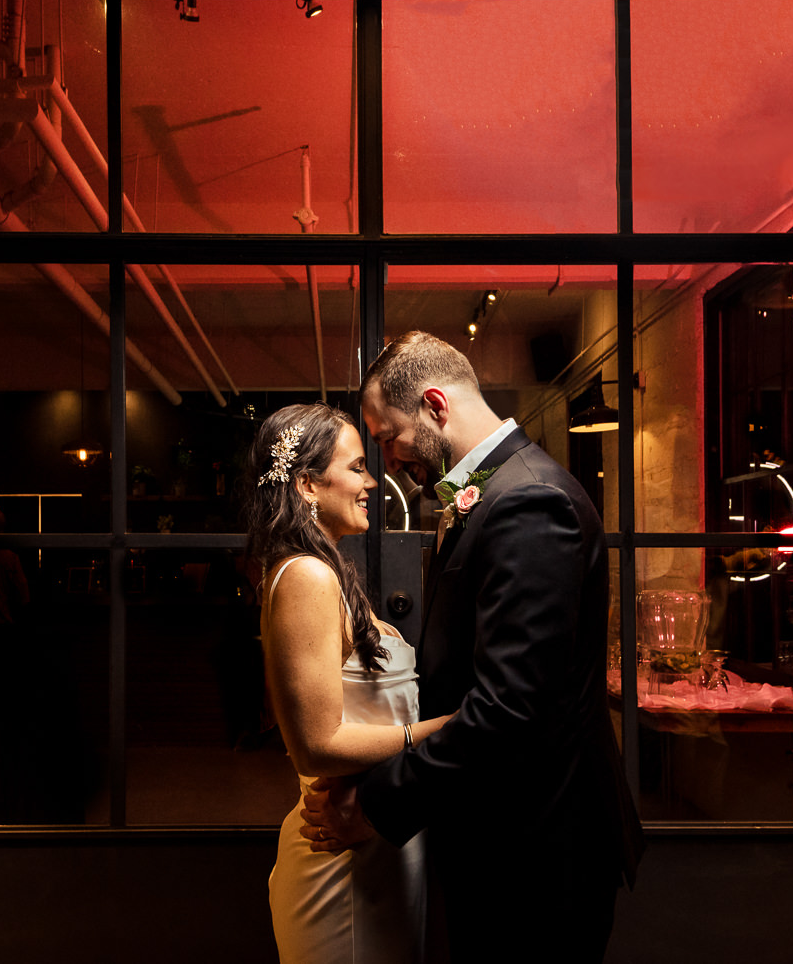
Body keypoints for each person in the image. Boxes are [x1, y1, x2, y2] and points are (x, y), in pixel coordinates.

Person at [303, 331, 645, 963]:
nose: (388, 460)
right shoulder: (493, 492)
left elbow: (510, 710)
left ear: (435, 405)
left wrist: (379, 803)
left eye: (387, 438)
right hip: (501, 833)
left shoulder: (531, 501)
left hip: (539, 850)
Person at [250, 403, 454, 963]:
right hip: (339, 870)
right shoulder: (307, 576)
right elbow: (316, 745)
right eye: (358, 467)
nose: (371, 482)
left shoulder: (329, 568)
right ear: (308, 484)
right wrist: (443, 730)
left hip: (373, 842)